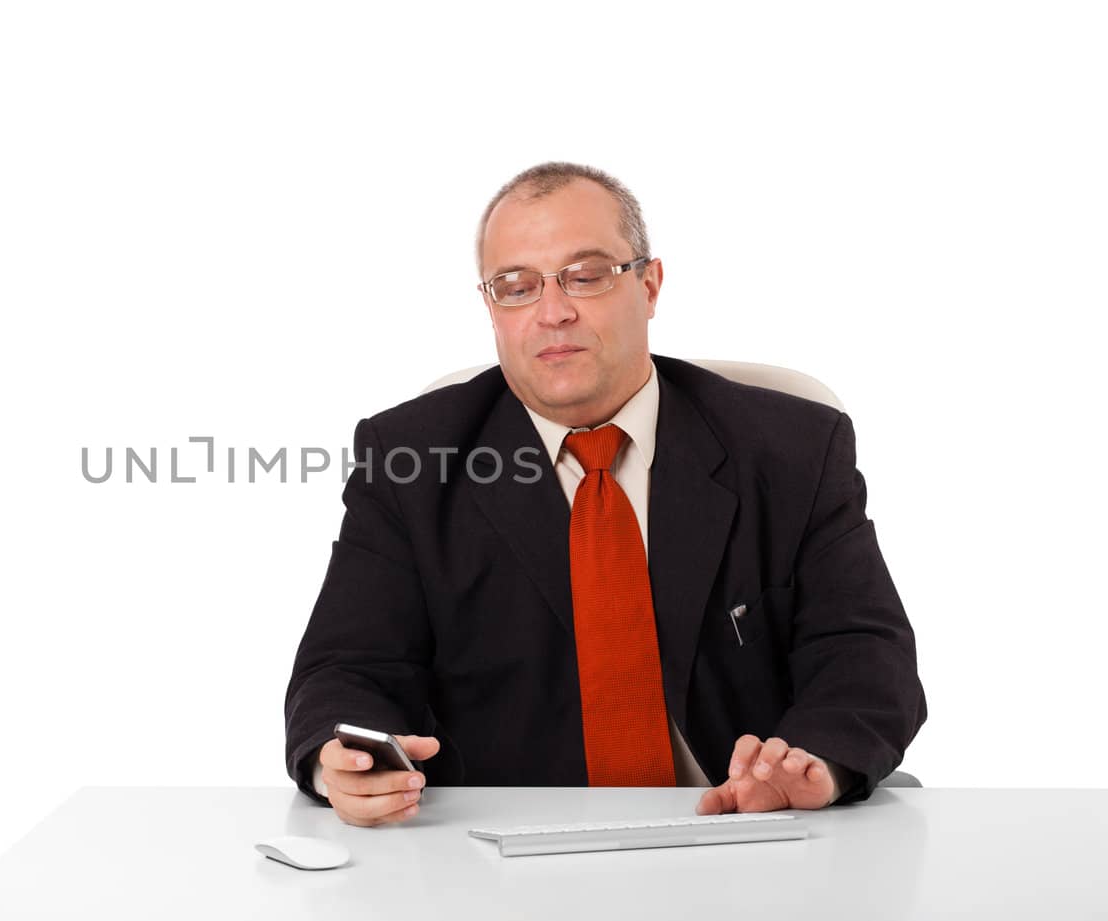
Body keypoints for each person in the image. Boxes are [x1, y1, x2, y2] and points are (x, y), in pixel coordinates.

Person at [283, 162, 927, 828]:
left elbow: (864, 653)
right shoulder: (410, 459)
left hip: (743, 836)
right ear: (491, 309)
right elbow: (347, 666)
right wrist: (346, 760)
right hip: (501, 859)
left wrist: (815, 764)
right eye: (516, 286)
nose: (553, 311)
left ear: (649, 284)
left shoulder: (792, 448)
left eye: (586, 276)